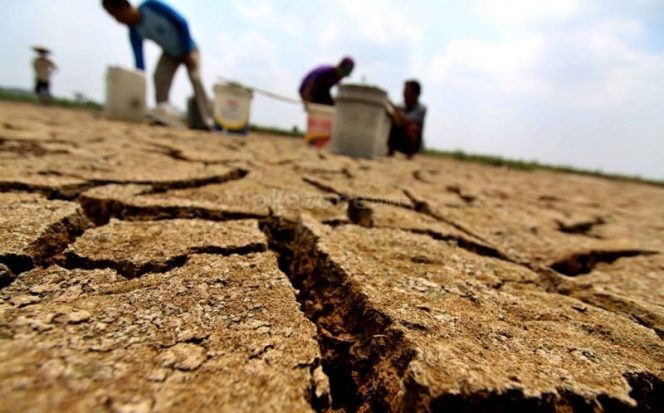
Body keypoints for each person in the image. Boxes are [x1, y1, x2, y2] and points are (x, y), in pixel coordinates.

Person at [102, 0, 213, 129]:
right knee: (159, 79)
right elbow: (140, 66)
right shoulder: (134, 33)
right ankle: (163, 116)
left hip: (188, 48)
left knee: (195, 78)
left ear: (125, 7)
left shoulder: (152, 6)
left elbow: (182, 22)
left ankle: (208, 121)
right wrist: (137, 87)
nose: (117, 21)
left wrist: (187, 52)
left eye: (116, 16)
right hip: (170, 54)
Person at [387, 80, 426, 158]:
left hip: (411, 144)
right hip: (398, 140)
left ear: (415, 94)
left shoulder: (421, 108)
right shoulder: (401, 106)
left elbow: (407, 120)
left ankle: (410, 154)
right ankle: (390, 151)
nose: (403, 93)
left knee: (412, 127)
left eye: (406, 91)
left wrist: (394, 108)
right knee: (392, 120)